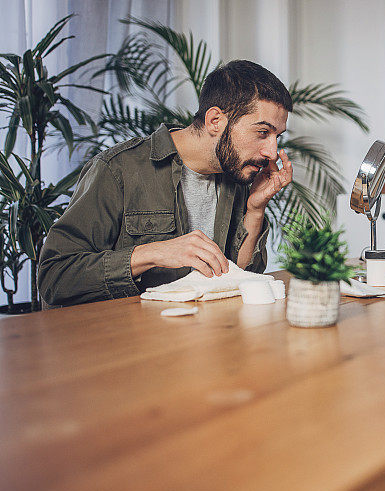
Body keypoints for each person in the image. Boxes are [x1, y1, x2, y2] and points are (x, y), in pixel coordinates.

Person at [38, 60, 294, 307]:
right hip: (129, 343)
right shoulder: (118, 169)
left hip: (209, 338)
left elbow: (241, 278)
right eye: (262, 132)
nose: (272, 152)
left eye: (277, 136)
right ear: (215, 120)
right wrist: (152, 253)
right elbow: (55, 277)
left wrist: (255, 209)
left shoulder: (235, 175)